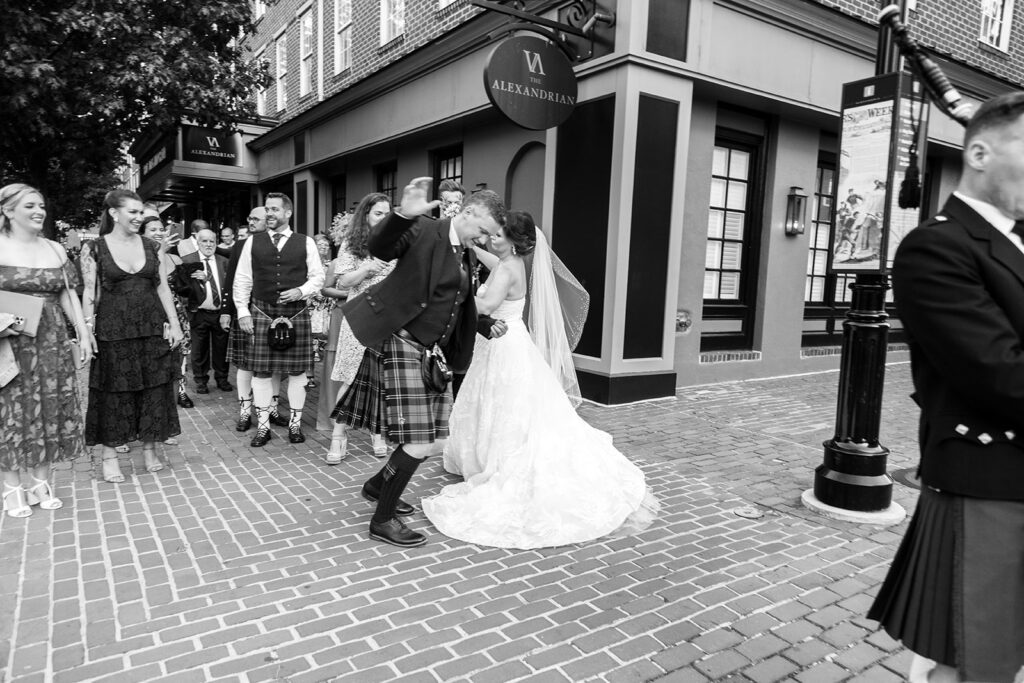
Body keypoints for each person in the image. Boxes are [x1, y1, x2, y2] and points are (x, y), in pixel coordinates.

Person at [867, 92, 1024, 683]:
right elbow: (1004, 377)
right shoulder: (937, 247)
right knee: (978, 667)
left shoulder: (1013, 240)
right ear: (979, 152)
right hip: (992, 482)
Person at [421, 211, 657, 548]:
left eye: (499, 235)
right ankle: (485, 455)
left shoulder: (507, 270)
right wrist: (465, 248)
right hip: (505, 342)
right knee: (503, 402)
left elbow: (485, 305)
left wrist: (448, 291)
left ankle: (499, 460)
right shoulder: (506, 262)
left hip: (504, 347)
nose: (492, 239)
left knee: (505, 404)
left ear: (515, 242)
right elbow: (483, 255)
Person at [334, 177, 508, 547]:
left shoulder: (468, 253)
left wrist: (483, 324)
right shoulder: (425, 229)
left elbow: (456, 300)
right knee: (417, 440)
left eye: (490, 235)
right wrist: (400, 215)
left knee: (433, 439)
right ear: (468, 212)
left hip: (430, 352)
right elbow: (380, 245)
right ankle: (382, 519)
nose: (484, 239)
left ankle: (378, 484)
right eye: (483, 231)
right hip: (400, 341)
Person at [0, 184, 95, 517]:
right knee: (12, 414)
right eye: (29, 206)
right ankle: (12, 489)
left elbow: (69, 294)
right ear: (8, 211)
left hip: (52, 339)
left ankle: (41, 482)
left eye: (41, 205)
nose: (39, 211)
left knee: (51, 408)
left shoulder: (55, 249)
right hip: (9, 343)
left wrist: (83, 334)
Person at [81, 190, 184, 482]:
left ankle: (150, 450)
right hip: (113, 331)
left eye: (142, 213)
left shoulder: (152, 247)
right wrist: (87, 331)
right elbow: (90, 293)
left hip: (152, 328)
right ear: (114, 213)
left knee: (153, 389)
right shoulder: (95, 249)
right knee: (115, 392)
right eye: (134, 212)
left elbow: (162, 288)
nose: (140, 218)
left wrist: (174, 325)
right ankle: (110, 456)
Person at [233, 193, 325, 447]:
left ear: (288, 213)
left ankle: (295, 426)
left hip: (295, 313)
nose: (269, 214)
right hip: (262, 312)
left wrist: (301, 290)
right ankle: (263, 427)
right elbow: (242, 278)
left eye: (274, 209)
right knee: (261, 372)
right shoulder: (253, 242)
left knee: (298, 372)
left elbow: (318, 276)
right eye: (267, 209)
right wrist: (242, 311)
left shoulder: (305, 242)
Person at [323, 194, 395, 463]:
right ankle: (338, 438)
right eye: (378, 213)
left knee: (383, 380)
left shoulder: (396, 243)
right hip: (359, 316)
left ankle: (378, 433)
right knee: (351, 379)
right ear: (365, 215)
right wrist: (366, 268)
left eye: (387, 213)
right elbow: (342, 284)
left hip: (387, 318)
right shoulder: (351, 246)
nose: (384, 218)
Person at [140, 216, 194, 410]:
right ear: (142, 234)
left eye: (161, 229)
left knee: (180, 356)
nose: (158, 233)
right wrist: (159, 251)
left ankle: (180, 391)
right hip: (152, 313)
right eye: (152, 229)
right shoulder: (141, 257)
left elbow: (185, 289)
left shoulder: (175, 258)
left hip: (176, 311)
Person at [179, 228, 232, 394]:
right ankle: (201, 380)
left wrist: (228, 311)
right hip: (198, 312)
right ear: (198, 242)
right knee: (199, 349)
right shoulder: (187, 260)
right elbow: (182, 287)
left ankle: (222, 378)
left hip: (219, 313)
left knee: (221, 347)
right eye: (205, 241)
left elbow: (229, 287)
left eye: (212, 241)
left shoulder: (224, 261)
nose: (209, 244)